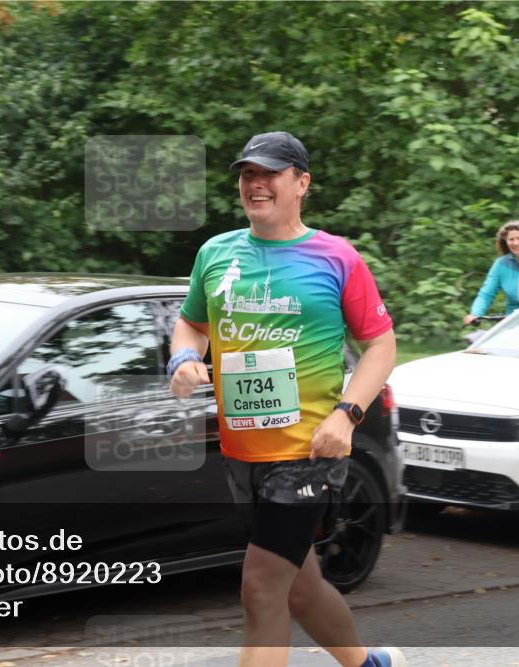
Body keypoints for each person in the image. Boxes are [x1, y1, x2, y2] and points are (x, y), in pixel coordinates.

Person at [167, 131, 404, 667]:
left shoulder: (336, 257)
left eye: (269, 173)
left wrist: (346, 417)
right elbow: (191, 324)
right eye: (248, 173)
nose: (256, 183)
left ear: (301, 183)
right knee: (299, 587)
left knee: (261, 589)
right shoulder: (217, 252)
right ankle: (369, 665)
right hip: (242, 453)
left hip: (307, 454)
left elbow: (381, 346)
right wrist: (182, 359)